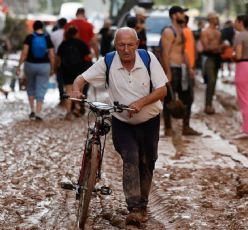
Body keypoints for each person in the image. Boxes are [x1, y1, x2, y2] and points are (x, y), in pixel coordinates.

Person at [70, 27, 168, 225]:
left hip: (150, 121)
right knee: (130, 157)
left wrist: (141, 102)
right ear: (115, 45)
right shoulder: (108, 61)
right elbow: (81, 78)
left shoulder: (148, 59)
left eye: (130, 45)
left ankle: (144, 203)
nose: (126, 49)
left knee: (148, 160)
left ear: (137, 44)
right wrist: (76, 89)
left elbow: (162, 90)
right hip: (122, 123)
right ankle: (134, 208)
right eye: (121, 45)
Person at [160, 6, 201, 136]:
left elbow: (183, 51)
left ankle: (186, 126)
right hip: (173, 67)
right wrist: (168, 72)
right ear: (174, 15)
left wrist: (189, 68)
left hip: (182, 68)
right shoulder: (168, 31)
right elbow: (165, 53)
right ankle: (168, 128)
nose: (183, 15)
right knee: (169, 100)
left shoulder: (181, 31)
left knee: (188, 98)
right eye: (181, 13)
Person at [16, 20, 55, 121]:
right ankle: (39, 112)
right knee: (41, 87)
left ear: (33, 27)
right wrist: (53, 67)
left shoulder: (30, 37)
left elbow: (24, 52)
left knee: (30, 86)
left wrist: (19, 65)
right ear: (42, 27)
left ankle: (32, 110)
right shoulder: (47, 37)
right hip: (44, 65)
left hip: (30, 65)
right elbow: (51, 54)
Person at [57, 27, 91, 120]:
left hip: (66, 70)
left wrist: (57, 68)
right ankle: (77, 108)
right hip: (79, 69)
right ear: (76, 34)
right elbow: (88, 56)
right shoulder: (81, 43)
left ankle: (68, 112)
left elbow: (58, 59)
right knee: (78, 91)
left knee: (68, 91)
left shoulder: (63, 44)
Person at [201, 12, 222, 114]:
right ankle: (207, 105)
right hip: (209, 58)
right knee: (211, 81)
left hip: (217, 58)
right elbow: (206, 47)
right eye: (215, 18)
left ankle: (210, 104)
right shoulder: (205, 32)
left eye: (217, 18)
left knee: (214, 83)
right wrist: (220, 47)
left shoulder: (218, 32)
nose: (217, 20)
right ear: (210, 19)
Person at [50, 18, 67, 104]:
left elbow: (51, 49)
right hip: (68, 58)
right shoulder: (67, 33)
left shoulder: (53, 34)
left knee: (59, 77)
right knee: (68, 78)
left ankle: (61, 96)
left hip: (57, 57)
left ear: (58, 24)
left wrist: (52, 62)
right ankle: (69, 96)